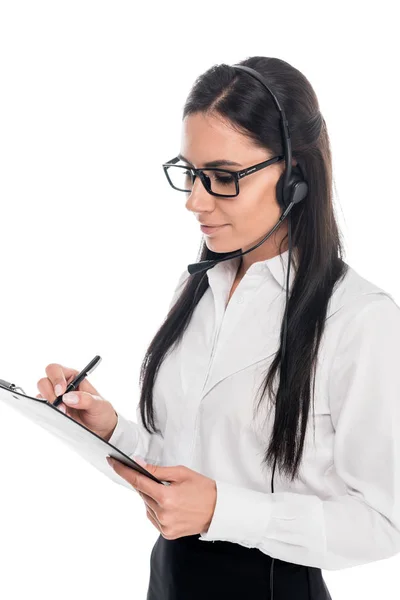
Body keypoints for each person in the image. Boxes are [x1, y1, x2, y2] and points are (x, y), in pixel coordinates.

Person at [37, 57, 400, 599]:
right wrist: (110, 429)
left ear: (296, 175)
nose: (194, 201)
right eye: (190, 172)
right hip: (170, 582)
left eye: (223, 178)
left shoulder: (359, 321)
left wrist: (225, 512)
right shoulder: (199, 290)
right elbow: (188, 469)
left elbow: (384, 520)